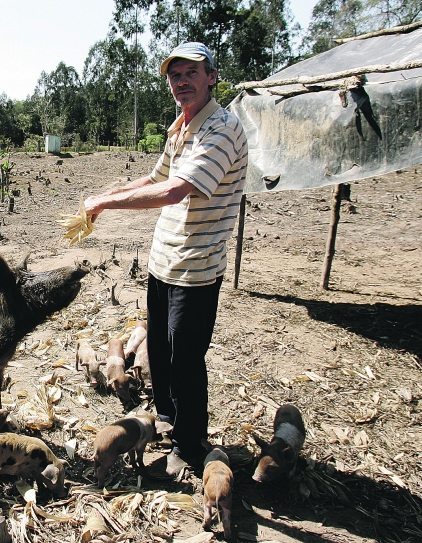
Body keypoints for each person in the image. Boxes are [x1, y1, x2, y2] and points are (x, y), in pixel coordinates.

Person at [83, 42, 248, 477]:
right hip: (164, 261)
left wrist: (106, 203)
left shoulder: (222, 129)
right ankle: (170, 420)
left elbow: (176, 190)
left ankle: (189, 445)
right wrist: (103, 198)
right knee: (159, 349)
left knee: (185, 358)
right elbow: (155, 178)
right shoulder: (181, 127)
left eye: (191, 72)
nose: (181, 82)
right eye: (175, 75)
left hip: (197, 267)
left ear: (212, 76)